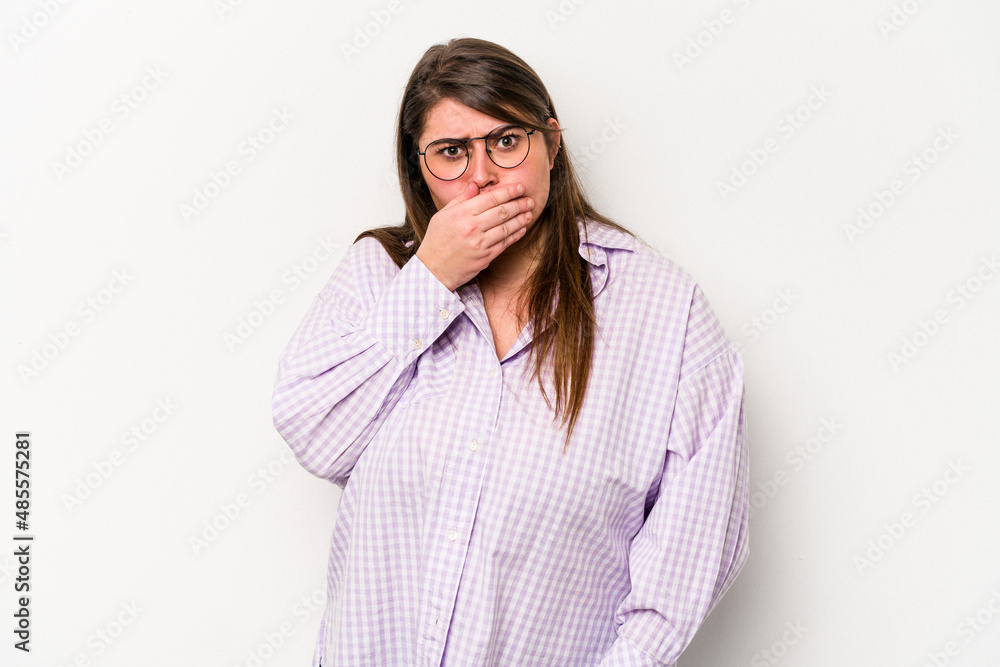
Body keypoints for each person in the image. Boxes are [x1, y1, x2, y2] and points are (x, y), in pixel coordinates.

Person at [271, 37, 749, 667]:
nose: (481, 176)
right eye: (450, 153)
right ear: (420, 169)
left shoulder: (664, 309)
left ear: (551, 144)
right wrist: (431, 280)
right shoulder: (379, 276)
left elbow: (696, 544)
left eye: (505, 141)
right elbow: (317, 437)